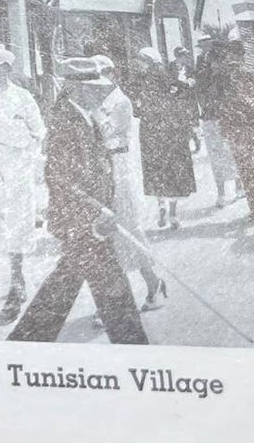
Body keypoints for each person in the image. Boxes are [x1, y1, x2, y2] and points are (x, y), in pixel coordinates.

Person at [7, 56, 148, 345]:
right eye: (90, 87)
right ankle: (136, 349)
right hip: (82, 220)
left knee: (65, 284)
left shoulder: (85, 114)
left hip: (89, 221)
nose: (97, 92)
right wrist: (97, 209)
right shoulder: (64, 121)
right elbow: (60, 178)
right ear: (73, 88)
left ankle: (24, 342)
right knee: (110, 288)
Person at [0, 45, 45, 324]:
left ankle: (16, 282)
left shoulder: (23, 97)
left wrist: (30, 160)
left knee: (19, 219)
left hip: (18, 162)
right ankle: (12, 275)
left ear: (8, 68)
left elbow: (39, 131)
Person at [93, 57, 164, 311]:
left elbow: (109, 132)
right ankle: (119, 298)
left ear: (113, 74)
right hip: (101, 166)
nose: (98, 80)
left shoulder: (121, 101)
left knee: (127, 227)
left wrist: (92, 117)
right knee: (106, 233)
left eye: (102, 73)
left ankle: (151, 282)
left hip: (119, 164)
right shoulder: (96, 101)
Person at [132, 46, 199, 229]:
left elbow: (136, 107)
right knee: (173, 170)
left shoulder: (143, 78)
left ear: (147, 61)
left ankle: (162, 205)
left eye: (140, 61)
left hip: (151, 130)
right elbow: (182, 89)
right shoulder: (163, 75)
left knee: (156, 169)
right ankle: (172, 212)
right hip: (170, 129)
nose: (138, 64)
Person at [215, 38, 254, 226]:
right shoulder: (252, 73)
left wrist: (224, 128)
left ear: (229, 54)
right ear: (243, 55)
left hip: (236, 128)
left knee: (246, 168)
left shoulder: (222, 76)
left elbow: (219, 104)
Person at [194, 34, 241, 205]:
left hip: (224, 115)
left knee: (231, 151)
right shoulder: (200, 63)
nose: (206, 49)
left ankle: (238, 186)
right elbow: (199, 87)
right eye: (203, 46)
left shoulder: (225, 69)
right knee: (216, 155)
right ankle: (221, 193)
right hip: (209, 115)